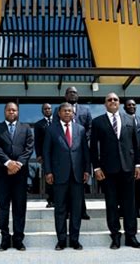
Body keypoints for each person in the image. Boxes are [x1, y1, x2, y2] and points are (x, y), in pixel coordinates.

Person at [90, 92, 140, 249]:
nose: (113, 101)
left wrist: (138, 165)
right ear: (105, 104)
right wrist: (97, 167)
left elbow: (136, 144)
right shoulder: (98, 122)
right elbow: (93, 147)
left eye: (115, 99)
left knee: (130, 204)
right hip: (108, 170)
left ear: (119, 103)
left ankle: (131, 236)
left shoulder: (129, 119)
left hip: (128, 168)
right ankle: (115, 236)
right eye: (109, 100)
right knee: (112, 204)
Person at [43, 103, 90, 251]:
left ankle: (75, 239)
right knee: (60, 209)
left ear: (73, 113)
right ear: (59, 113)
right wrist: (48, 172)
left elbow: (85, 152)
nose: (68, 113)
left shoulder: (80, 130)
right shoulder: (51, 130)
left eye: (70, 111)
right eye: (65, 111)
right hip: (59, 176)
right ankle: (62, 240)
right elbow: (46, 153)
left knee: (76, 209)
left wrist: (87, 170)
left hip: (77, 175)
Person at [0, 102, 34, 251]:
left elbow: (29, 148)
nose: (11, 112)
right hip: (2, 174)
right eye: (9, 110)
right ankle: (5, 238)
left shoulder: (26, 128)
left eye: (14, 110)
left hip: (20, 175)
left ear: (18, 112)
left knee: (19, 208)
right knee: (3, 207)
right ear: (5, 112)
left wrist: (18, 164)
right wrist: (8, 163)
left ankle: (18, 239)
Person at [54, 86, 92, 220]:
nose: (72, 94)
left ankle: (82, 211)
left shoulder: (85, 111)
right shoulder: (58, 110)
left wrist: (82, 139)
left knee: (79, 184)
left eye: (75, 92)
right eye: (70, 93)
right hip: (64, 152)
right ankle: (68, 211)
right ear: (65, 96)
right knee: (67, 184)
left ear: (78, 95)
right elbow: (55, 129)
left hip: (80, 150)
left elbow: (89, 127)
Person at [124, 99, 140, 218]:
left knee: (139, 185)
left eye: (133, 105)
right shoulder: (121, 120)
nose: (131, 106)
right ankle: (124, 209)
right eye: (128, 105)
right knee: (125, 185)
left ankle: (139, 208)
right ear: (124, 108)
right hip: (125, 157)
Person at [34, 103, 54, 207]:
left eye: (49, 108)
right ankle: (50, 200)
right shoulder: (38, 125)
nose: (47, 110)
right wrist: (39, 155)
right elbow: (37, 141)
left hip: (58, 155)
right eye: (45, 109)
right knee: (49, 178)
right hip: (46, 156)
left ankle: (59, 200)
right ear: (42, 111)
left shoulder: (58, 122)